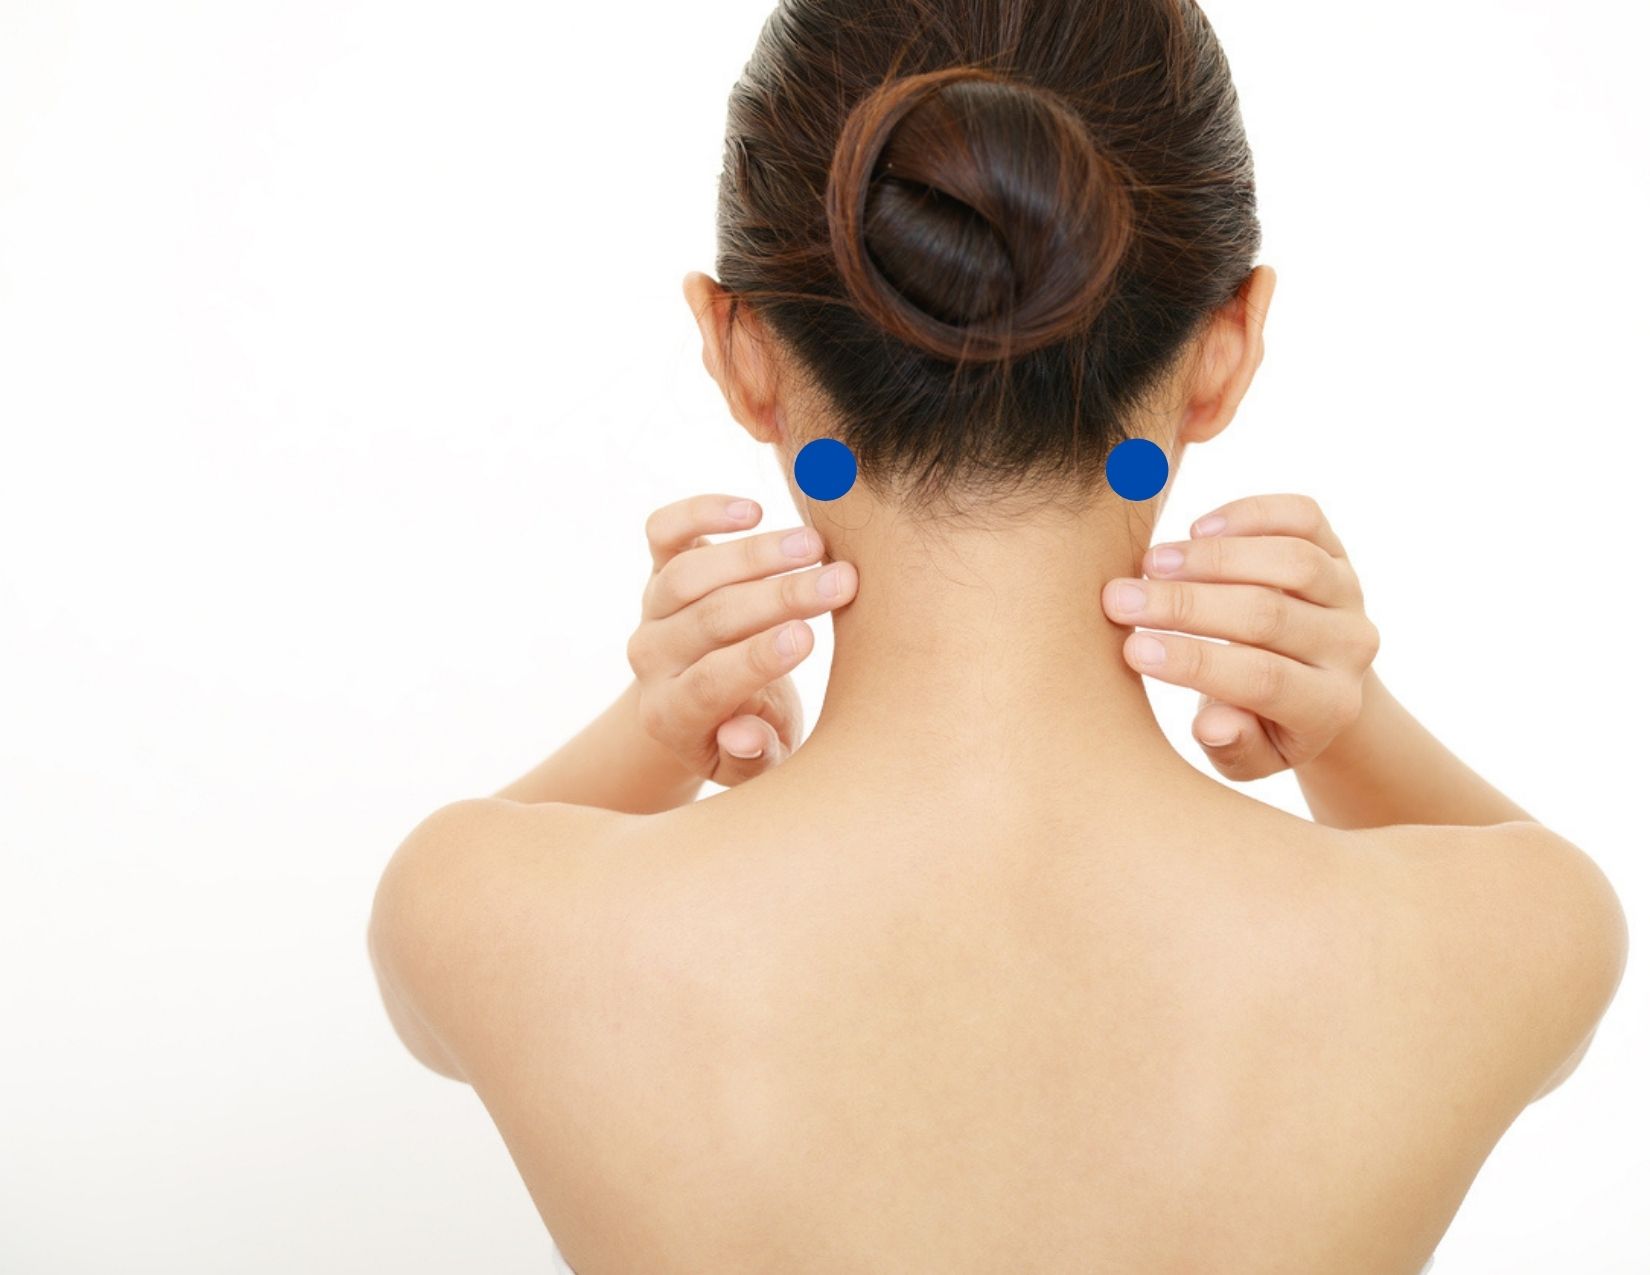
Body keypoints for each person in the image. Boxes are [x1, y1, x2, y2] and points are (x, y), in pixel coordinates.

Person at [367, 1, 1628, 1271]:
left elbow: (431, 979)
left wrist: (655, 733)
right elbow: (1530, 901)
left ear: (743, 353)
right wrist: (1351, 728)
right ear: (1226, 350)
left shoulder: (485, 912)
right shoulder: (1513, 937)